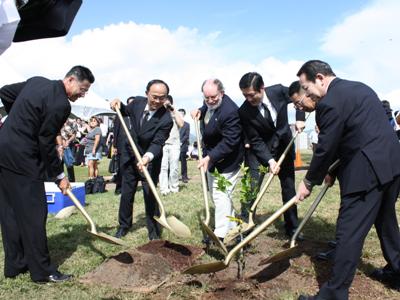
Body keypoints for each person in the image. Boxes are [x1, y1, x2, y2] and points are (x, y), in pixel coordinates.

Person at [295, 60, 400, 300]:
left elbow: (326, 148)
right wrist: (333, 170)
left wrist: (309, 181)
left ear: (320, 78)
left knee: (348, 233)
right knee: (385, 222)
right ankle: (398, 270)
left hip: (367, 172)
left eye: (307, 87)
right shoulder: (360, 88)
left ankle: (333, 294)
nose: (307, 93)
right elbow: (356, 135)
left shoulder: (329, 103)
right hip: (392, 164)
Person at [0, 65, 94, 283]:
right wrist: (59, 176)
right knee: (34, 214)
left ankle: (15, 265)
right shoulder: (61, 104)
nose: (83, 94)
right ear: (70, 80)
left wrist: (19, 119)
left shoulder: (36, 81)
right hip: (23, 157)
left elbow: (4, 92)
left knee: (10, 211)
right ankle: (43, 272)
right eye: (82, 89)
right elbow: (46, 142)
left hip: (3, 149)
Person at [238, 72, 305, 240]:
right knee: (251, 190)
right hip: (259, 152)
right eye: (245, 95)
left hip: (284, 146)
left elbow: (300, 96)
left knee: (288, 187)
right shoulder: (244, 111)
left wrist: (300, 117)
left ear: (262, 88)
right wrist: (269, 160)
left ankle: (292, 228)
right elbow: (255, 139)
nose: (249, 99)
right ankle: (244, 229)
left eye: (252, 95)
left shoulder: (279, 91)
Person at [110, 80, 173, 240]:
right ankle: (124, 226)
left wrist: (147, 157)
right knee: (127, 193)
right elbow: (125, 111)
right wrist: (118, 104)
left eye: (162, 98)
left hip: (149, 160)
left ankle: (153, 231)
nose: (158, 101)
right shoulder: (137, 103)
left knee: (149, 194)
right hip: (130, 155)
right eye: (155, 97)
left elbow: (158, 142)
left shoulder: (166, 119)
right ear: (147, 94)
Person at [191, 78, 243, 241]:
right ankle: (235, 226)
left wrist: (209, 157)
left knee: (221, 195)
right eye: (206, 98)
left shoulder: (230, 112)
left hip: (227, 160)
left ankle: (220, 234)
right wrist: (198, 111)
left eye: (213, 97)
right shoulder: (209, 103)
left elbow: (230, 141)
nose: (210, 101)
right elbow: (207, 109)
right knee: (220, 195)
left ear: (222, 93)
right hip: (211, 157)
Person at [159, 95, 184, 195]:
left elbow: (181, 124)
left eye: (167, 103)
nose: (166, 104)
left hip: (174, 143)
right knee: (163, 167)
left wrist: (173, 110)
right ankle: (164, 188)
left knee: (174, 167)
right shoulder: (159, 114)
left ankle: (174, 187)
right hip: (163, 144)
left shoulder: (175, 112)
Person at [112, 96, 135, 195]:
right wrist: (115, 145)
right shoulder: (120, 114)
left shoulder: (137, 116)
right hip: (122, 144)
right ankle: (119, 187)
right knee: (121, 167)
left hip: (134, 145)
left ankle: (131, 186)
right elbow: (116, 130)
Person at [178, 108, 190, 183]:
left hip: (183, 145)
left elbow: (186, 135)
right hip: (174, 145)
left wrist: (181, 142)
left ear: (184, 115)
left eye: (182, 113)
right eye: (179, 113)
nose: (180, 114)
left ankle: (184, 176)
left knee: (183, 161)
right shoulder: (174, 123)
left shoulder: (187, 124)